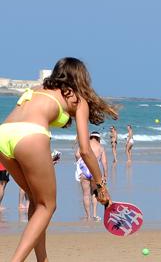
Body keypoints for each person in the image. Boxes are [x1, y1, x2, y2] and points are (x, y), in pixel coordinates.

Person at [0, 57, 114, 261]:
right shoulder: (78, 98)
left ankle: (42, 259)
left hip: (3, 134)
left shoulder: (39, 87)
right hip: (30, 135)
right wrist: (100, 184)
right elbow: (86, 150)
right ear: (80, 77)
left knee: (37, 201)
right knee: (48, 206)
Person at [74, 131, 108, 221]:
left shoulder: (85, 144)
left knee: (86, 194)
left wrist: (79, 162)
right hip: (94, 171)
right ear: (98, 138)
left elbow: (77, 154)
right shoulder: (100, 147)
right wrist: (105, 175)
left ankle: (88, 216)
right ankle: (94, 215)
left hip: (84, 170)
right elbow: (104, 162)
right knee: (94, 193)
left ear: (91, 137)